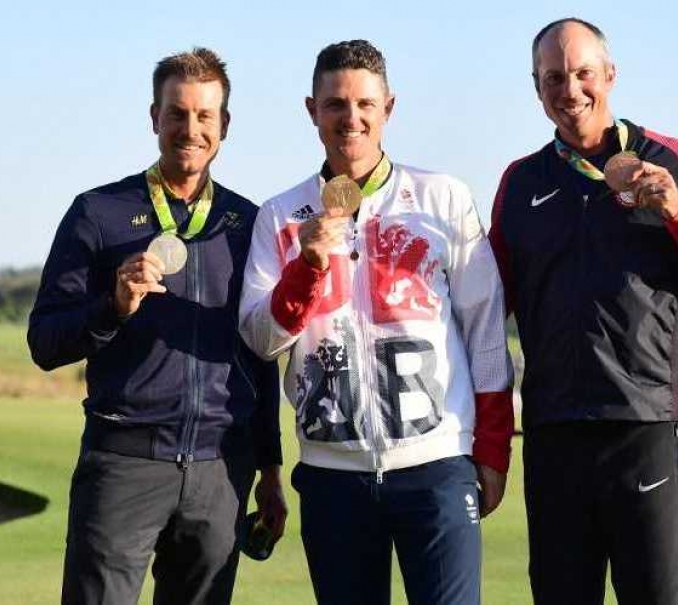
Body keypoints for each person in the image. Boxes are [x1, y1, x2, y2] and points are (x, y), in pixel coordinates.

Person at [238, 39, 513, 605]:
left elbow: (486, 331)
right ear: (312, 110)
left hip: (436, 465)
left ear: (389, 107)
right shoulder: (280, 215)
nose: (351, 118)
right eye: (335, 104)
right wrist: (307, 268)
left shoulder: (442, 198)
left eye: (365, 104)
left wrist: (491, 449)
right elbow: (262, 339)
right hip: (332, 473)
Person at [489, 18, 678, 605]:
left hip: (648, 426)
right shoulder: (520, 181)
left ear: (610, 75)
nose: (570, 89)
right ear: (536, 88)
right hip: (554, 433)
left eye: (584, 73)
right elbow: (485, 314)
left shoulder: (674, 161)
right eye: (553, 77)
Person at [28, 47, 287, 605]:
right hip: (123, 464)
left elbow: (260, 352)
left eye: (204, 116)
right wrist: (113, 307)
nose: (189, 129)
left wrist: (269, 467)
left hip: (221, 470)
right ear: (154, 117)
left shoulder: (248, 223)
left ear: (225, 125)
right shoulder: (98, 212)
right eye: (176, 114)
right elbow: (44, 343)